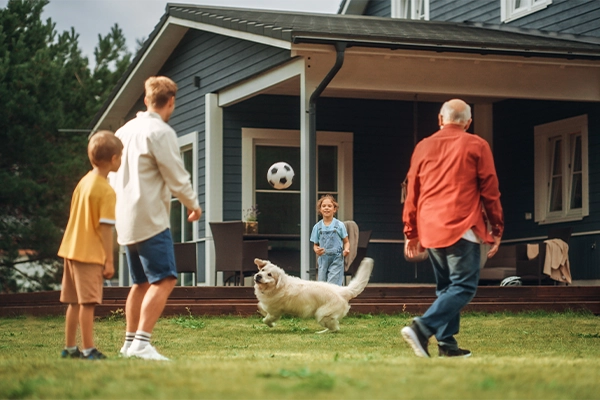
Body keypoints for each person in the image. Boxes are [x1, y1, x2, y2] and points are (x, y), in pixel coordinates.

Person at [401, 99, 504, 358]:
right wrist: (497, 227)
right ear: (468, 122)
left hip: (430, 227)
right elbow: (490, 190)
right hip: (462, 224)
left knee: (447, 287)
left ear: (440, 119)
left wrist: (411, 231)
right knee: (464, 286)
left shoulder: (423, 146)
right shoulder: (477, 144)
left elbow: (412, 190)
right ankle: (421, 328)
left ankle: (447, 345)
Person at [112, 76, 202, 361]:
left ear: (146, 98)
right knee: (164, 279)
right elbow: (176, 175)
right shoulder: (160, 132)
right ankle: (141, 342)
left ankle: (128, 344)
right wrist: (193, 205)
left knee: (140, 283)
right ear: (171, 102)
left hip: (125, 218)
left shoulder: (123, 131)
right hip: (150, 218)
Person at [58, 130, 123, 360]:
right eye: (121, 156)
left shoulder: (84, 182)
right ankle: (88, 350)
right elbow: (106, 228)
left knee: (73, 302)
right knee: (88, 303)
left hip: (70, 249)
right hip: (88, 253)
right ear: (114, 159)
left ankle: (69, 348)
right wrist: (109, 260)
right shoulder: (106, 190)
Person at [310, 194, 350, 286]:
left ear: (334, 209)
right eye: (323, 206)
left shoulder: (339, 225)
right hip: (323, 259)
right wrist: (316, 250)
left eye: (329, 206)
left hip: (336, 258)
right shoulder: (317, 227)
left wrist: (346, 249)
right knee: (322, 285)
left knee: (333, 284)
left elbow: (346, 241)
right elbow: (315, 244)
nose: (326, 208)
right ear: (320, 209)